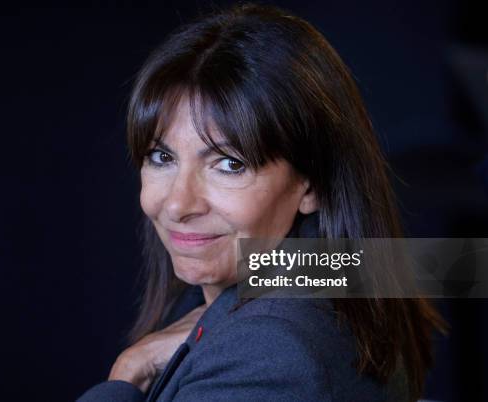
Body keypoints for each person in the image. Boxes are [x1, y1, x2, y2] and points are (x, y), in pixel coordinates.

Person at [77, 3, 446, 401]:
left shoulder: (264, 353)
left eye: (230, 164)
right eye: (162, 157)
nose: (176, 204)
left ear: (311, 185)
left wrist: (126, 373)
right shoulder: (344, 276)